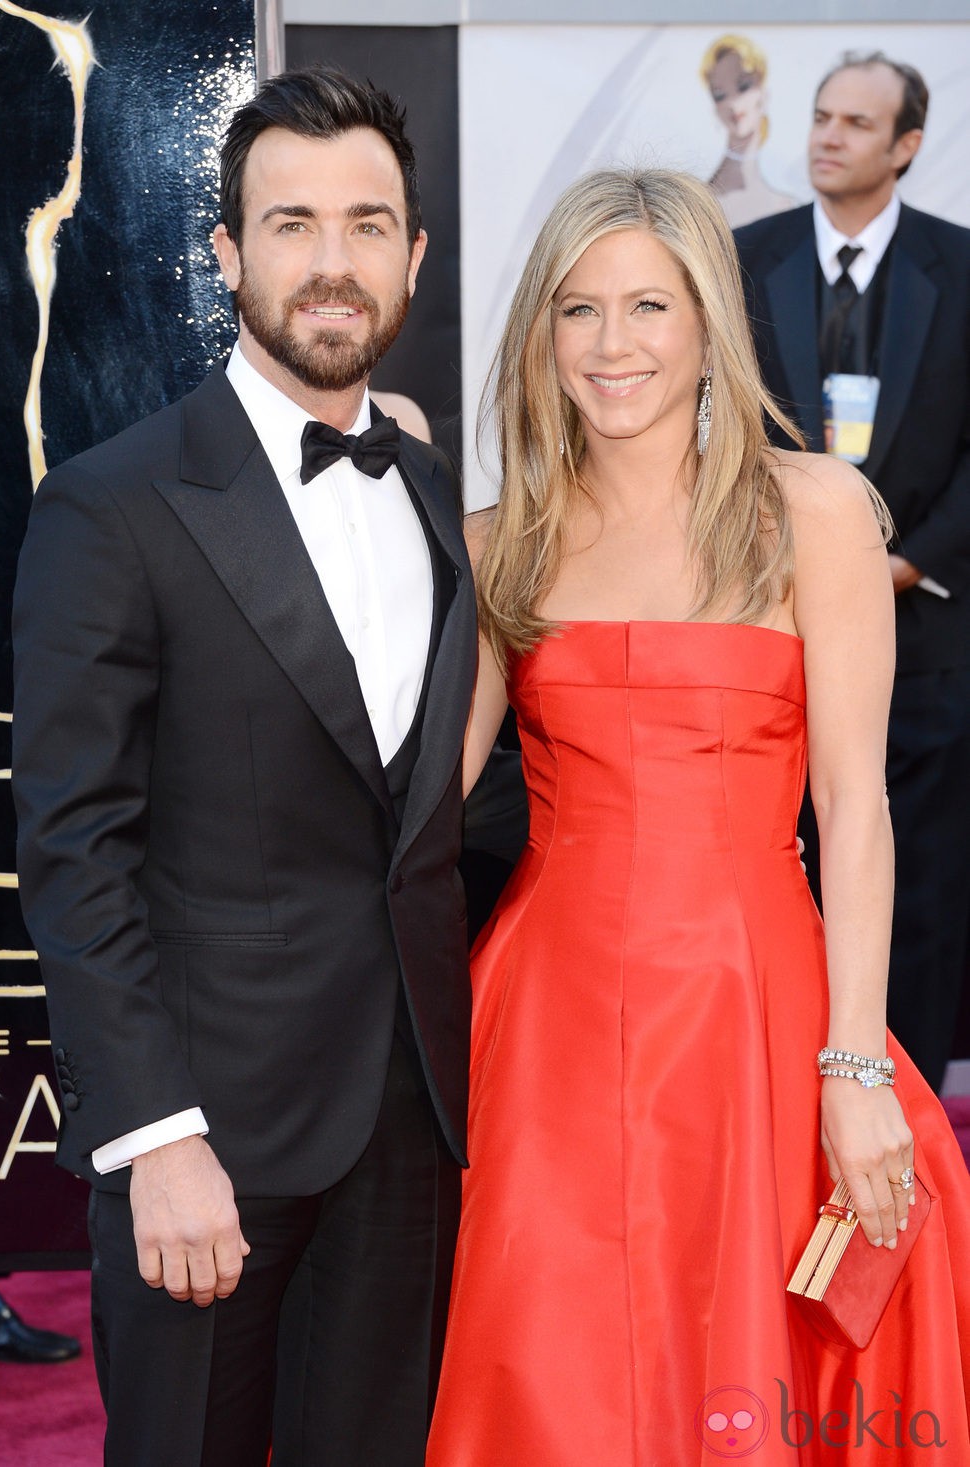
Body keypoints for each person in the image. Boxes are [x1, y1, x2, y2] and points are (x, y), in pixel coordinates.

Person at [425, 167, 970, 1466]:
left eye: (649, 307)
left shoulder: (815, 514)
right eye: (580, 309)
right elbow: (419, 809)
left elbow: (854, 806)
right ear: (540, 332)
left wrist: (855, 1068)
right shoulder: (497, 540)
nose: (613, 346)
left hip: (758, 1014)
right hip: (542, 1026)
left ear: (709, 322)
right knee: (545, 1362)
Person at [11, 65, 477, 1467]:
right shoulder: (114, 499)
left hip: (408, 1124)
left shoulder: (436, 489)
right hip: (207, 1135)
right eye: (288, 224)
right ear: (226, 254)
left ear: (413, 255)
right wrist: (155, 1133)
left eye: (363, 223)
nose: (329, 263)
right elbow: (76, 845)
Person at [734, 52, 970, 1093]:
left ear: (904, 147)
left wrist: (906, 562)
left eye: (854, 123)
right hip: (767, 639)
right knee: (775, 892)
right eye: (819, 117)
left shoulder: (961, 268)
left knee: (913, 901)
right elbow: (717, 430)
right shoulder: (742, 257)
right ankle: (781, 1105)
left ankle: (905, 1125)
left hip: (923, 650)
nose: (826, 136)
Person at [699, 33, 797, 229]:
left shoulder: (785, 206)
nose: (733, 103)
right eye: (720, 95)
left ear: (763, 92)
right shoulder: (702, 205)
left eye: (743, 86)